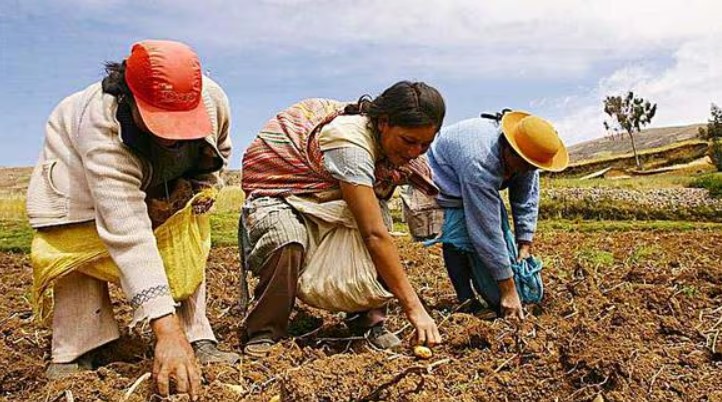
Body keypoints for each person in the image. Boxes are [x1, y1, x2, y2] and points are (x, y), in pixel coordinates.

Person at [26, 40, 237, 399]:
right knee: (76, 247)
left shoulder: (211, 99)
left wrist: (201, 191)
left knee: (184, 236)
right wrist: (163, 332)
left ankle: (195, 332)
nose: (171, 137)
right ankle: (79, 346)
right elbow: (128, 234)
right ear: (130, 99)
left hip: (167, 178)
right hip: (76, 184)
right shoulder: (101, 130)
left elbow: (220, 149)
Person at [239, 81, 446, 357]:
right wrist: (414, 308)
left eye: (425, 144)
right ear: (383, 123)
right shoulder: (349, 143)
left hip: (331, 194)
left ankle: (367, 321)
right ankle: (265, 330)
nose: (414, 152)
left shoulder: (396, 152)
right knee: (284, 238)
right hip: (283, 192)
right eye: (409, 141)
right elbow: (374, 235)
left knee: (378, 220)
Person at [426, 111, 569, 319]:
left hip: (474, 175)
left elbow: (525, 198)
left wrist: (524, 243)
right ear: (509, 152)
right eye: (526, 166)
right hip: (443, 178)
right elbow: (487, 230)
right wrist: (508, 291)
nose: (530, 170)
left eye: (533, 167)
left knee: (503, 250)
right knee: (457, 237)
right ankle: (466, 300)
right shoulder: (480, 163)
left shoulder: (527, 156)